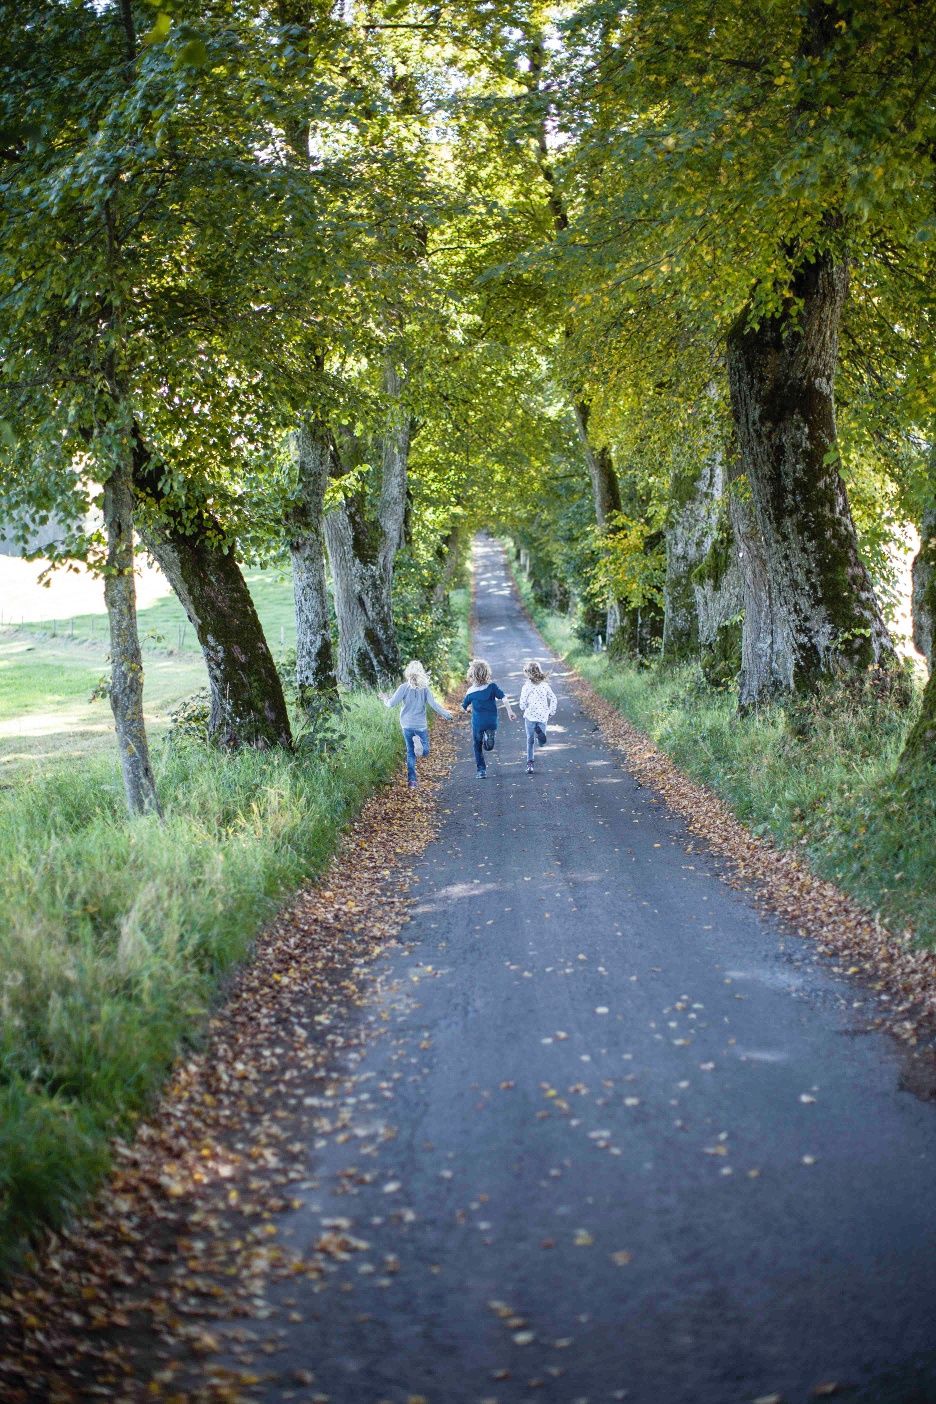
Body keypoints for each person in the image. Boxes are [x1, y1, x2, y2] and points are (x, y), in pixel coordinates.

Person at [383, 660, 453, 789]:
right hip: (420, 725)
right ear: (421, 673)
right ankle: (419, 744)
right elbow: (433, 705)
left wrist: (385, 699)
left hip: (407, 724)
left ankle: (412, 781)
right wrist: (446, 714)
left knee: (410, 752)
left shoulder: (403, 688)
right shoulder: (424, 689)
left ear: (408, 672)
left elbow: (391, 704)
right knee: (425, 751)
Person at [461, 658, 516, 778]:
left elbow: (463, 707)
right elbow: (504, 698)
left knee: (477, 745)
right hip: (491, 722)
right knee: (488, 744)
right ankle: (489, 740)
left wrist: (467, 709)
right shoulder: (492, 687)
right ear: (487, 673)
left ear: (472, 675)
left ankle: (481, 771)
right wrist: (510, 711)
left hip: (478, 723)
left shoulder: (470, 692)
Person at [518, 660, 557, 775]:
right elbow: (554, 698)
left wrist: (524, 706)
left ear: (528, 673)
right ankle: (539, 734)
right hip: (542, 717)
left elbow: (522, 705)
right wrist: (551, 711)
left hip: (530, 717)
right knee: (541, 742)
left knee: (530, 740)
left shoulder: (526, 687)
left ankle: (530, 763)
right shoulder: (545, 686)